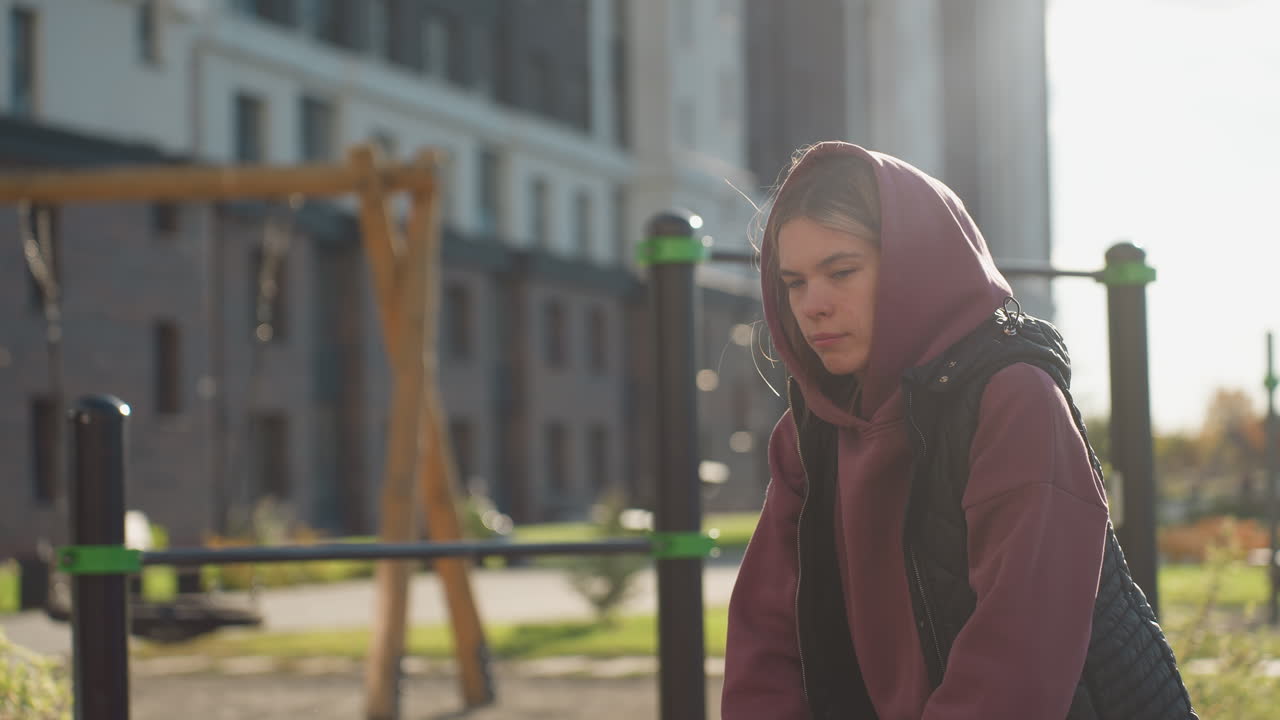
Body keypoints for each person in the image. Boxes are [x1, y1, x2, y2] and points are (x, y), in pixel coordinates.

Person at [721, 142, 1196, 719]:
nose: (812, 304)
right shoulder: (809, 432)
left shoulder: (1014, 400)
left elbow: (1017, 654)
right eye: (794, 282)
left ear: (917, 267)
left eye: (841, 272)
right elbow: (766, 640)